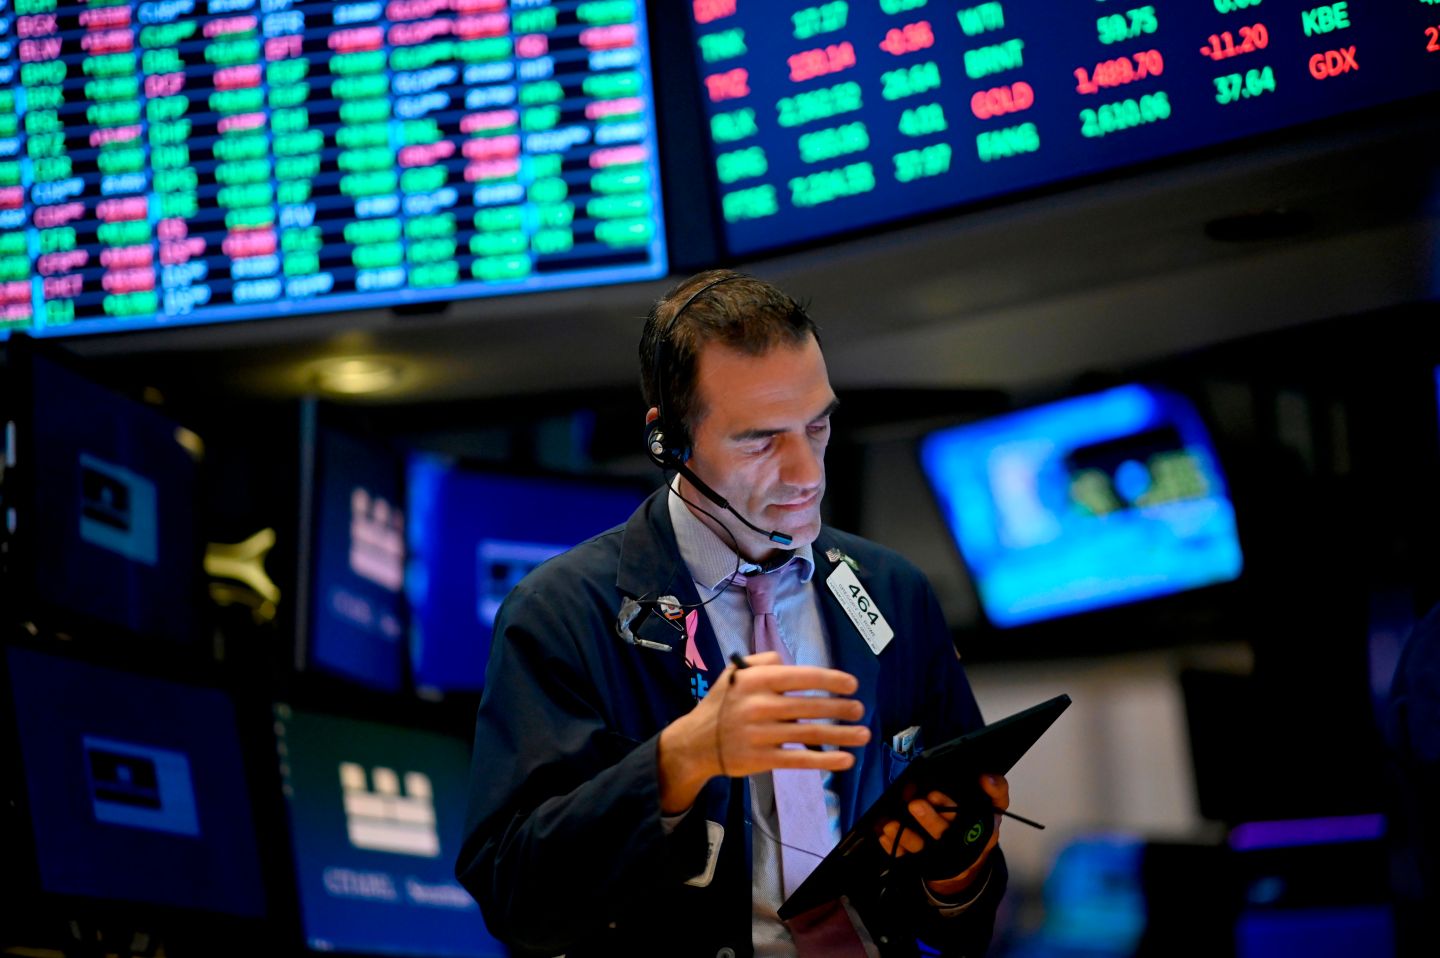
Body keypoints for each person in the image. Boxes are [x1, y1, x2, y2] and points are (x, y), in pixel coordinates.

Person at [456, 270, 1009, 956]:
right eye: (760, 439)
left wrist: (960, 867)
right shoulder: (563, 611)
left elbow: (959, 917)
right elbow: (515, 895)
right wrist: (682, 759)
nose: (806, 473)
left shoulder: (894, 593)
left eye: (817, 425)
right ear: (669, 441)